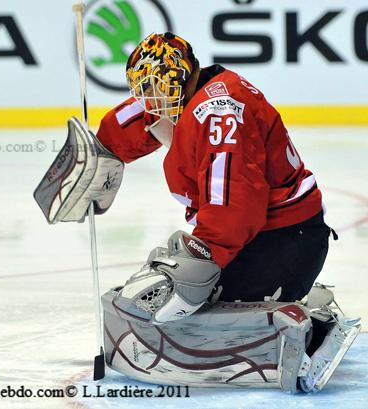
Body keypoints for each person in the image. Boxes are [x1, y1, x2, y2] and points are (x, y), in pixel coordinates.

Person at [94, 32, 334, 304]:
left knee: (183, 302)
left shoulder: (219, 112)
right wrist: (100, 149)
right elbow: (141, 116)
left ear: (176, 78)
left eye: (151, 87)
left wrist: (205, 255)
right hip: (264, 236)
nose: (148, 99)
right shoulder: (186, 96)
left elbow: (234, 205)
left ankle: (305, 313)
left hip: (282, 242)